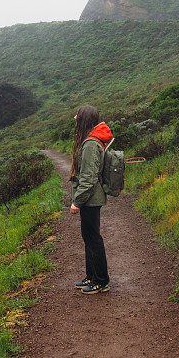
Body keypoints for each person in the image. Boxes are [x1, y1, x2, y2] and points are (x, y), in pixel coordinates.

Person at [69, 105, 111, 294]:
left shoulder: (91, 144)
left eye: (78, 116)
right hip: (90, 199)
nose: (75, 118)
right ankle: (92, 276)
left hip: (90, 200)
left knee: (93, 238)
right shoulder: (89, 141)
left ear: (84, 119)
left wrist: (77, 201)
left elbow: (88, 178)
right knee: (88, 237)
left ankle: (101, 281)